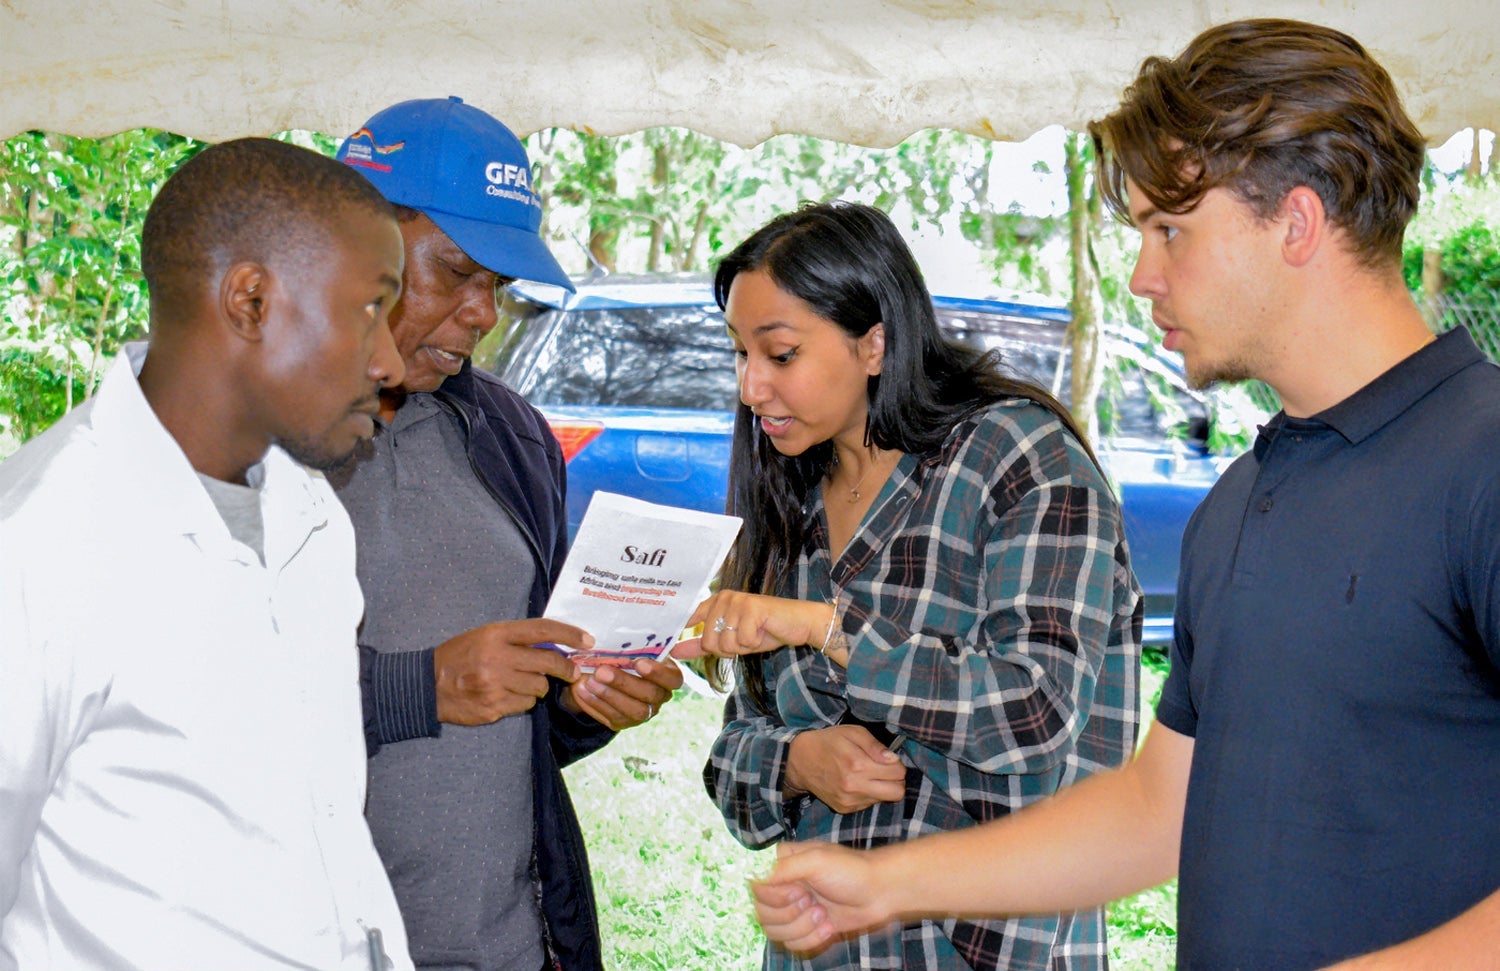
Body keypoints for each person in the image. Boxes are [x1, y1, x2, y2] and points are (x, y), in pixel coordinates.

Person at [750, 19, 1500, 971]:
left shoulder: (1481, 464)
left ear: (1298, 223)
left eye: (1171, 231)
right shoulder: (1240, 499)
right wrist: (896, 882)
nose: (1144, 275)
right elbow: (1159, 808)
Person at [683, 201, 1143, 970]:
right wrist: (798, 763)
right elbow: (733, 752)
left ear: (874, 343)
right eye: (738, 354)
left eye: (781, 353)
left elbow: (1037, 707)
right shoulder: (793, 492)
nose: (751, 386)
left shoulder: (1015, 458)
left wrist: (825, 629)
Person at [0, 138, 415, 970]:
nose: (391, 362)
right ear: (251, 301)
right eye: (372, 308)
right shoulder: (43, 541)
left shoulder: (312, 522)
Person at [331, 96, 684, 971]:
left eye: (498, 283)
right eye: (456, 271)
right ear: (354, 238)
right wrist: (422, 684)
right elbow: (197, 696)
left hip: (510, 943)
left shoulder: (514, 436)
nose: (484, 312)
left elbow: (526, 722)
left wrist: (583, 697)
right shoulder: (250, 439)